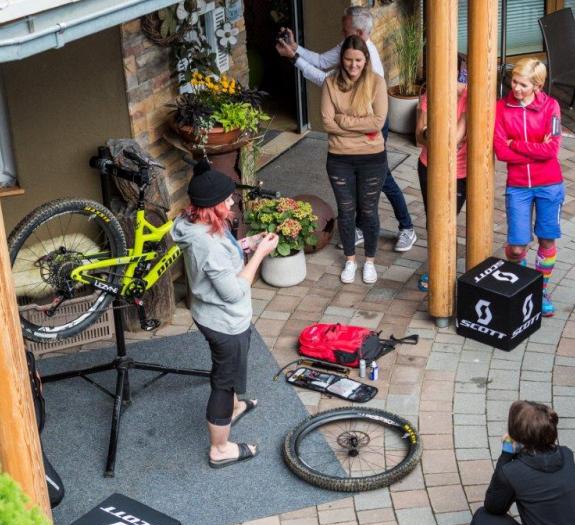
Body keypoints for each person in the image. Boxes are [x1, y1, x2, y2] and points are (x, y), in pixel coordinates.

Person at [276, 6, 416, 253]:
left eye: (346, 29)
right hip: (354, 127)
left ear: (360, 33)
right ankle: (361, 228)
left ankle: (407, 228)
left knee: (383, 180)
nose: (342, 32)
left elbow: (325, 80)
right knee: (358, 180)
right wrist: (295, 48)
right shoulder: (347, 46)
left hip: (371, 127)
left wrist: (294, 59)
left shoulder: (367, 63)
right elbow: (321, 63)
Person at [172, 160, 280, 468]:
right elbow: (233, 291)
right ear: (213, 205)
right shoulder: (208, 245)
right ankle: (219, 448)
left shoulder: (197, 223)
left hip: (211, 315)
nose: (232, 201)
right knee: (223, 380)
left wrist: (249, 243)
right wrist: (260, 255)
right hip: (223, 321)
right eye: (227, 198)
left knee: (229, 371)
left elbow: (224, 255)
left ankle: (233, 408)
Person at [494, 59, 564, 317]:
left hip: (550, 185)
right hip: (519, 186)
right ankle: (522, 287)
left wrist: (516, 144)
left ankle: (539, 290)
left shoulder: (551, 107)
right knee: (516, 248)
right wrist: (534, 149)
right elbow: (501, 151)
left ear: (537, 85)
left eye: (523, 84)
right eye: (514, 82)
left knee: (546, 239)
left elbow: (552, 150)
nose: (516, 88)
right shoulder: (501, 108)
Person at [320, 35, 388, 285]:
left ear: (366, 59)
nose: (353, 65)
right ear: (342, 60)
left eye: (358, 60)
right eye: (348, 60)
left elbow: (378, 122)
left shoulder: (377, 83)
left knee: (368, 211)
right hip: (339, 159)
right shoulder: (330, 83)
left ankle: (369, 261)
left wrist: (344, 120)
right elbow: (327, 122)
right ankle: (350, 260)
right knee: (346, 212)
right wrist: (363, 128)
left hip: (372, 159)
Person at [415, 53, 469, 290]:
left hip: (459, 171)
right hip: (429, 166)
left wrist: (433, 134)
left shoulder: (469, 95)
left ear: (457, 72)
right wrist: (430, 135)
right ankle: (436, 268)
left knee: (448, 221)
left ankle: (446, 268)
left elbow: (455, 138)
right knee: (434, 221)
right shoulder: (429, 96)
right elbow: (419, 137)